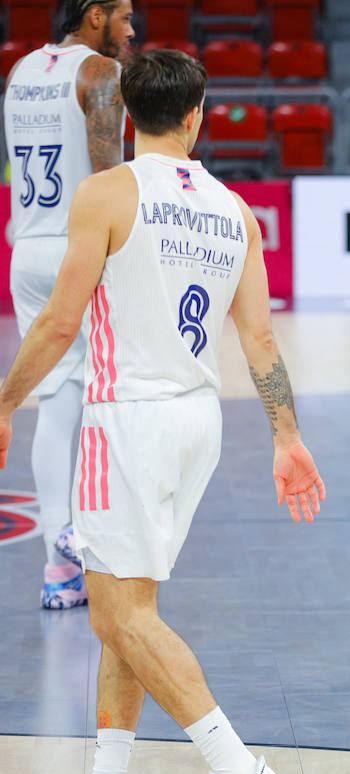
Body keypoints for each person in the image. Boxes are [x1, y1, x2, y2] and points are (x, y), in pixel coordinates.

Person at [0, 49, 326, 774]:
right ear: (198, 114)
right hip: (198, 425)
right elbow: (259, 341)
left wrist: (5, 401)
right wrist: (286, 435)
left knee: (118, 613)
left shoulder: (107, 191)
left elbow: (58, 323)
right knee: (131, 607)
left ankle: (237, 772)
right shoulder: (236, 208)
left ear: (118, 116)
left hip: (129, 420)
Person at [3, 0, 134, 609]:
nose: (131, 30)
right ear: (93, 15)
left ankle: (59, 572)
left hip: (27, 243)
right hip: (76, 248)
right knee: (89, 392)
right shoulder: (99, 74)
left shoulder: (21, 71)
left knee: (58, 394)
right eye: (124, 16)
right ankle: (79, 535)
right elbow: (109, 173)